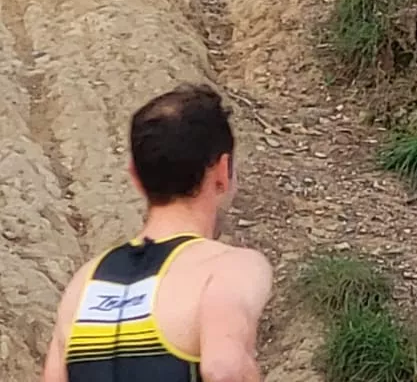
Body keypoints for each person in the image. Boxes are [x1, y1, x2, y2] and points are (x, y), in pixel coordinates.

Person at [40, 85, 273, 382]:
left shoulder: (83, 285)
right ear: (222, 171)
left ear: (135, 176)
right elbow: (223, 368)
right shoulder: (226, 268)